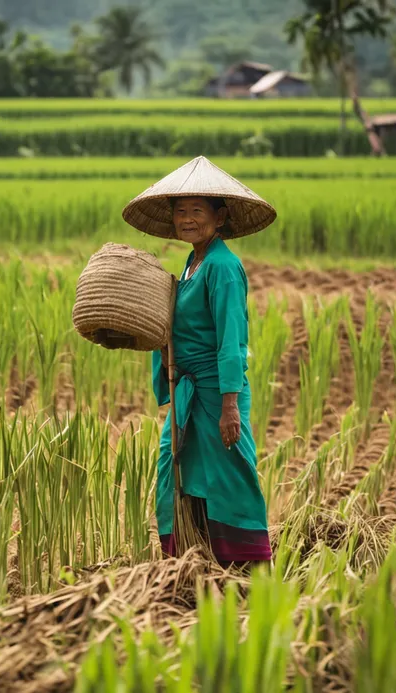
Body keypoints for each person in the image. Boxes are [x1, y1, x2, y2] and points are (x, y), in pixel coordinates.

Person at [122, 156, 276, 570]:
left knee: (228, 478)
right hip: (188, 390)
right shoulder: (193, 263)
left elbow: (231, 341)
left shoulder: (223, 267)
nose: (187, 219)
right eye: (180, 211)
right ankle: (190, 563)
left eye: (197, 210)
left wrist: (229, 405)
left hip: (215, 393)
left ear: (220, 216)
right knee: (177, 474)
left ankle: (247, 569)